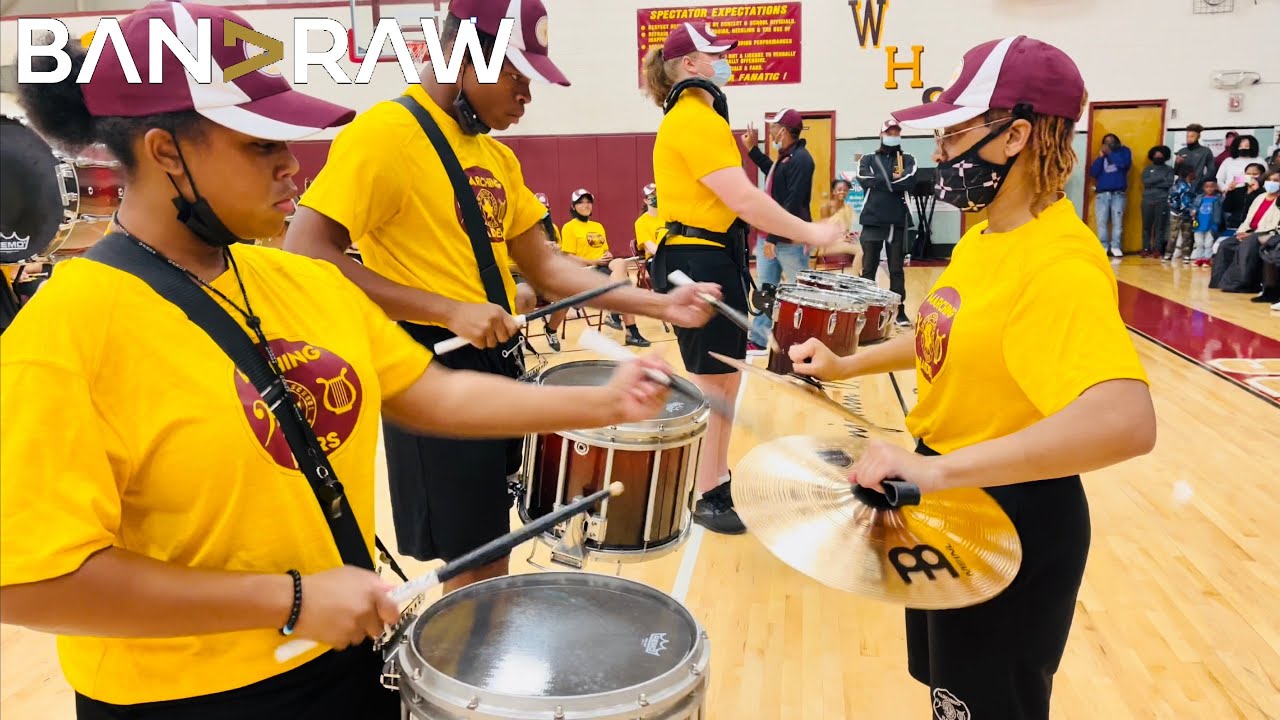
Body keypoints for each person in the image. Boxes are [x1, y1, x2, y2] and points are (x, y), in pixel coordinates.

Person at [0, 3, 674, 717]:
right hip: (186, 696)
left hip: (345, 661)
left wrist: (603, 401)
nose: (294, 166)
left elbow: (434, 395)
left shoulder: (305, 283)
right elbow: (27, 581)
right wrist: (288, 599)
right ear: (166, 151)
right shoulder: (68, 330)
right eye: (261, 145)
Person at [284, 0, 717, 591]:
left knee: (496, 546)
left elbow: (547, 266)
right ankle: (464, 671)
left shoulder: (496, 157)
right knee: (472, 562)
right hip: (428, 368)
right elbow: (306, 250)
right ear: (463, 57)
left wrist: (659, 306)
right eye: (517, 76)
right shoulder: (384, 134)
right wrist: (449, 309)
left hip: (496, 363)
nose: (526, 96)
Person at [788, 36, 1155, 719]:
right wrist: (847, 362)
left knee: (986, 707)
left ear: (1016, 134)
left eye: (955, 134)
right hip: (949, 500)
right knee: (950, 699)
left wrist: (936, 474)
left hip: (1009, 516)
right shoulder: (988, 236)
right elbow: (941, 329)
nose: (941, 154)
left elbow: (1125, 421)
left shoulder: (1058, 263)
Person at [640, 20, 844, 534]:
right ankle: (707, 493)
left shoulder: (697, 118)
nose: (724, 63)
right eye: (716, 56)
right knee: (715, 385)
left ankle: (716, 479)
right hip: (697, 262)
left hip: (711, 256)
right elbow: (746, 199)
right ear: (691, 65)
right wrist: (814, 233)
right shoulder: (693, 118)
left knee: (725, 382)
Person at [738, 107, 816, 354]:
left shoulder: (803, 159)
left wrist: (773, 236)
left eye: (773, 127)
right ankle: (759, 339)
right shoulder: (786, 158)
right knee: (766, 290)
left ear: (783, 131)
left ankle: (803, 339)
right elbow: (772, 172)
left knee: (797, 293)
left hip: (788, 241)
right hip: (770, 238)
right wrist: (752, 151)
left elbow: (792, 202)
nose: (770, 131)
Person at [559, 188, 650, 346]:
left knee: (620, 262)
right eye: (581, 202)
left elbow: (605, 250)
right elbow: (568, 257)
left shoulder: (598, 226)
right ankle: (631, 331)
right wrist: (594, 261)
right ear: (573, 206)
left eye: (588, 202)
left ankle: (614, 313)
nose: (586, 205)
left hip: (604, 266)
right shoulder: (569, 227)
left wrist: (607, 255)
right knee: (625, 288)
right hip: (586, 271)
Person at [857, 119, 917, 326]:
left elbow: (909, 181)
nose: (893, 134)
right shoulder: (868, 159)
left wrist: (882, 183)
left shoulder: (908, 159)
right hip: (872, 221)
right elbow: (864, 178)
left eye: (896, 131)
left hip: (896, 222)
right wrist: (893, 184)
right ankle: (865, 311)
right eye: (889, 131)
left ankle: (899, 312)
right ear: (881, 134)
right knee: (868, 270)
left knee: (896, 270)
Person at [1214, 170, 1280, 294]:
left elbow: (1275, 225)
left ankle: (1243, 284)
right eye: (1269, 180)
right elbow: (1248, 219)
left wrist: (1251, 234)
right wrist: (1241, 232)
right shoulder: (1260, 197)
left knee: (1249, 243)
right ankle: (1219, 281)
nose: (1272, 183)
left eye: (1276, 181)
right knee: (1226, 245)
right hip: (1249, 231)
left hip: (1267, 234)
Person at [1089, 132, 1131, 257]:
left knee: (1117, 222)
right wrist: (1101, 157)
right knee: (1102, 222)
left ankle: (1116, 246)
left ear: (1117, 142)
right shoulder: (1103, 156)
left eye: (1111, 142)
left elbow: (1124, 164)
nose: (1108, 144)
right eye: (1106, 142)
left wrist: (1110, 154)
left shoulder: (1124, 151)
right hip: (1102, 194)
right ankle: (1103, 246)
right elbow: (1093, 173)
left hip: (1118, 194)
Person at [1139, 145, 1174, 258]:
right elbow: (1145, 181)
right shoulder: (1148, 169)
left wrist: (1154, 181)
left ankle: (1157, 249)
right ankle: (1146, 248)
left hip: (1162, 200)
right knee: (1146, 226)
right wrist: (1160, 179)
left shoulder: (1169, 170)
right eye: (1156, 155)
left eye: (1160, 155)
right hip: (1147, 200)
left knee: (1160, 226)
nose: (1158, 157)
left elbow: (1168, 183)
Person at [1166, 163, 1197, 263]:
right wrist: (1189, 210)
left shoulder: (1187, 185)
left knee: (1184, 235)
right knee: (1176, 235)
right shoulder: (1183, 187)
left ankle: (1181, 254)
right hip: (1180, 213)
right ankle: (1170, 254)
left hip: (1183, 213)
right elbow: (1183, 201)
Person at [1190, 179, 1225, 266]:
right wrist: (1193, 212)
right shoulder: (1199, 198)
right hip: (1199, 224)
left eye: (1212, 187)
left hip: (1211, 224)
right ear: (1203, 188)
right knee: (1199, 242)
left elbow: (1222, 209)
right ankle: (1199, 258)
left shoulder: (1218, 199)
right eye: (1207, 187)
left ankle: (1206, 259)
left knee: (1208, 243)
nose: (1209, 189)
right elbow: (1194, 207)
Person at [634, 182, 667, 273]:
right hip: (655, 260)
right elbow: (651, 249)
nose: (656, 196)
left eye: (658, 193)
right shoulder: (641, 222)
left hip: (672, 255)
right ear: (645, 200)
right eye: (652, 194)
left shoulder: (669, 217)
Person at [1174, 123, 1216, 189]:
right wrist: (1178, 164)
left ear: (1198, 137)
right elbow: (1176, 172)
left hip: (1198, 188)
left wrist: (1201, 181)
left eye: (1192, 136)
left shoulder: (1205, 151)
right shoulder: (1181, 151)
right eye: (1187, 136)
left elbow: (1211, 171)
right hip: (1182, 188)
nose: (1189, 138)